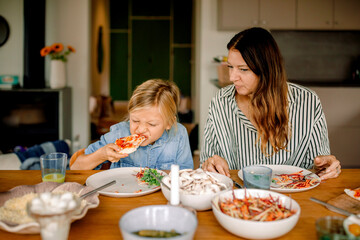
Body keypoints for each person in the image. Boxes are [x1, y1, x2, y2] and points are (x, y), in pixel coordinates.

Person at [200, 27, 340, 180]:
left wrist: (327, 166)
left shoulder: (308, 102)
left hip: (295, 197)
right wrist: (211, 163)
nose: (232, 77)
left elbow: (319, 164)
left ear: (266, 70)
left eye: (243, 69)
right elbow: (207, 161)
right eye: (230, 67)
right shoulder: (220, 102)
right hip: (239, 197)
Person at [70, 79, 194, 170]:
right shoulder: (119, 134)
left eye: (151, 124)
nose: (140, 129)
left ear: (169, 123)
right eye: (135, 121)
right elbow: (76, 168)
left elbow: (186, 175)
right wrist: (101, 154)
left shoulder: (179, 134)